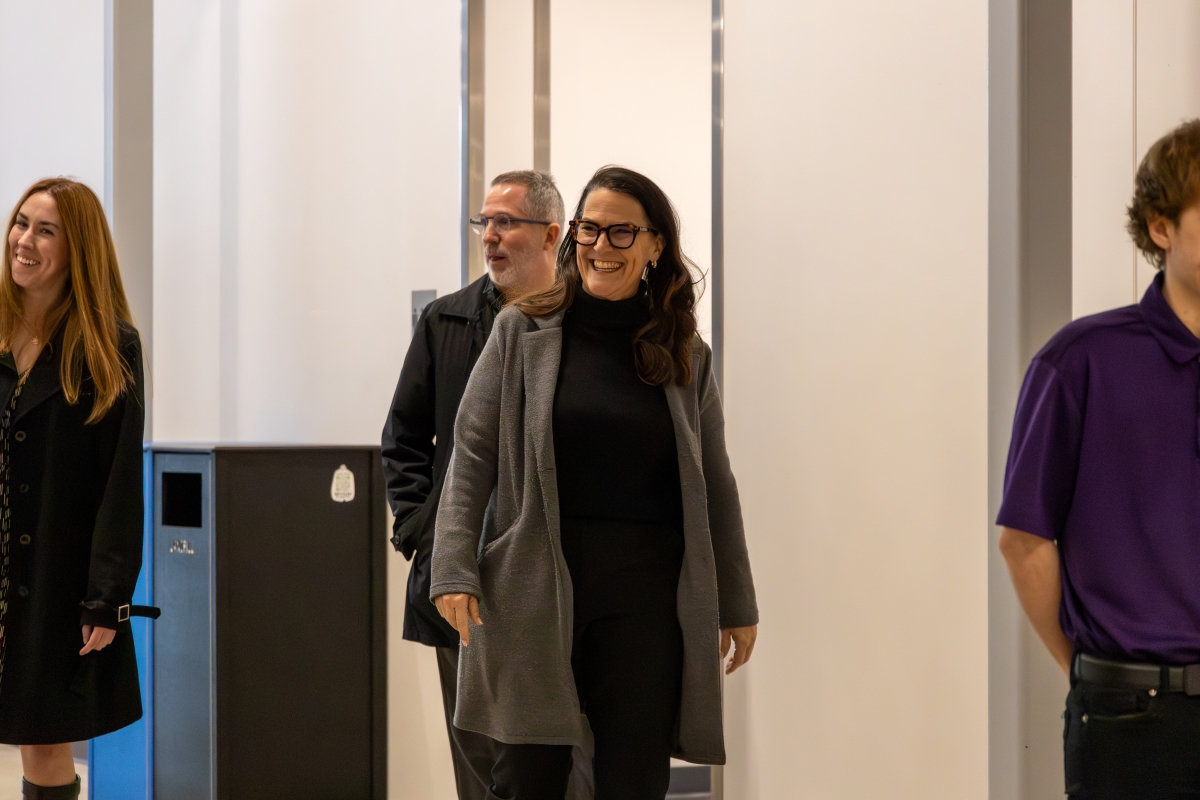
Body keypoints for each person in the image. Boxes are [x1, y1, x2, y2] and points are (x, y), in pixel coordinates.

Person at [431, 165, 759, 800]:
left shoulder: (684, 352)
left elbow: (715, 483)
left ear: (655, 245)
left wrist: (737, 602)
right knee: (528, 776)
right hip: (531, 584)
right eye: (589, 229)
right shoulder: (521, 330)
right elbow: (471, 453)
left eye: (621, 232)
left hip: (645, 601)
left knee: (633, 778)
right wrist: (453, 568)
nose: (601, 246)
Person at [999, 118, 1200, 799]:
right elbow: (1024, 540)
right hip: (1129, 717)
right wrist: (1088, 671)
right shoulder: (1080, 360)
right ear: (1161, 227)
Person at [383, 171, 574, 799]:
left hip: (553, 577)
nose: (489, 235)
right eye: (483, 222)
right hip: (463, 577)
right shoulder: (446, 320)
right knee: (478, 763)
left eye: (505, 222)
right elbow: (404, 438)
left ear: (551, 235)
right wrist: (422, 534)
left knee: (560, 761)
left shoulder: (582, 326)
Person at [0, 179, 146, 800]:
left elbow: (120, 481)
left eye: (45, 231)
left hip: (52, 581)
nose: (24, 240)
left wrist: (106, 598)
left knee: (43, 738)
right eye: (21, 223)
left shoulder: (109, 347)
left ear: (77, 249)